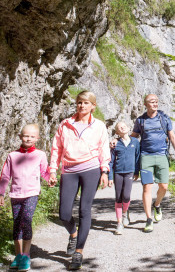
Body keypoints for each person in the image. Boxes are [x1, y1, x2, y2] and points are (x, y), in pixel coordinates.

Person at [48, 90, 110, 270]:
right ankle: (73, 234)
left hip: (91, 170)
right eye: (79, 102)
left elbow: (104, 149)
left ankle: (79, 252)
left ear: (93, 106)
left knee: (85, 209)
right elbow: (56, 149)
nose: (82, 105)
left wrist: (104, 171)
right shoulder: (65, 124)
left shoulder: (99, 126)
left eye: (86, 102)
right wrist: (52, 171)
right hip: (69, 170)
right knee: (64, 213)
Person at [0, 124, 51, 271]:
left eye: (32, 136)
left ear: (37, 138)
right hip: (15, 194)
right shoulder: (12, 156)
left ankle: (26, 255)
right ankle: (18, 255)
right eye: (26, 136)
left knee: (26, 221)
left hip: (31, 193)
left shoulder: (40, 154)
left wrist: (50, 179)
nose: (28, 138)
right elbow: (6, 175)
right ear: (20, 136)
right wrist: (1, 193)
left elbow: (45, 172)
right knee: (16, 224)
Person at [131, 94, 175, 232]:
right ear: (145, 104)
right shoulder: (140, 121)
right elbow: (133, 137)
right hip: (146, 157)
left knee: (164, 186)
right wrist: (119, 141)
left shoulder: (164, 118)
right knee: (147, 188)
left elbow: (172, 136)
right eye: (152, 102)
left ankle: (157, 205)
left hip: (161, 156)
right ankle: (148, 219)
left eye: (156, 102)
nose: (155, 104)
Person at [108, 121, 140, 235]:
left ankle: (125, 213)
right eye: (119, 127)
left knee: (126, 196)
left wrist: (137, 172)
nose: (122, 128)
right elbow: (110, 161)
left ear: (128, 128)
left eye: (124, 126)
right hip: (118, 173)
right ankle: (119, 223)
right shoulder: (115, 144)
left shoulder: (135, 142)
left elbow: (137, 157)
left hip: (129, 172)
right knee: (118, 197)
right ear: (117, 132)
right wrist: (110, 177)